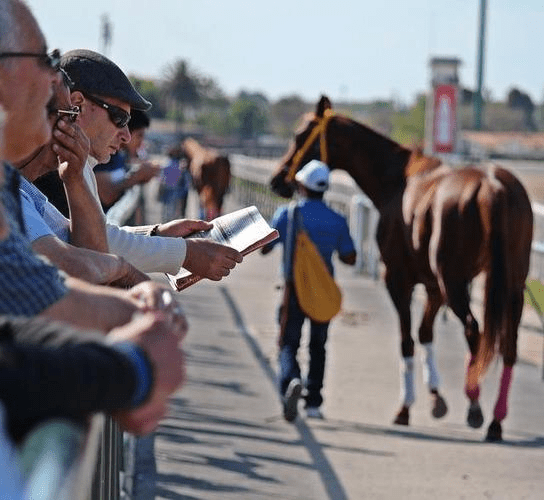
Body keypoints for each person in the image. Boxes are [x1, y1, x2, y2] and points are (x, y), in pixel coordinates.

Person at [32, 48, 243, 280]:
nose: (126, 136)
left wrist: (157, 234)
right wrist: (185, 254)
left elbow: (89, 235)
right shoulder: (59, 169)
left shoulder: (75, 165)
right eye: (120, 118)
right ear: (77, 105)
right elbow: (91, 248)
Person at [14, 71, 150, 286]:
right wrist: (124, 270)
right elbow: (76, 267)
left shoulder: (28, 193)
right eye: (69, 113)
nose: (74, 124)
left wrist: (74, 178)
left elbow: (90, 250)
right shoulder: (10, 193)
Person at [261, 160, 356, 421]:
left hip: (292, 291)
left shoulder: (286, 215)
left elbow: (264, 247)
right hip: (321, 293)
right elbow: (350, 257)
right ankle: (313, 402)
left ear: (301, 185)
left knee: (288, 344)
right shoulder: (337, 220)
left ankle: (291, 381)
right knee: (318, 346)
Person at [94, 109, 160, 214]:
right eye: (139, 136)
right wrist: (137, 176)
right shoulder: (104, 156)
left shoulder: (120, 157)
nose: (141, 143)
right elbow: (105, 196)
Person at [158, 144, 192, 221]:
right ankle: (170, 221)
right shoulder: (179, 166)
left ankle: (165, 221)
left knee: (165, 207)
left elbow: (162, 178)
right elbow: (183, 180)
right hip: (175, 188)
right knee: (173, 207)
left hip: (167, 187)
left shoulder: (166, 164)